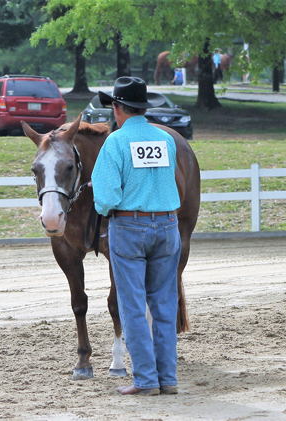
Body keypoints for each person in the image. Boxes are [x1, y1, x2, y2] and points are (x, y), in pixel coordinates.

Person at [92, 77, 181, 396]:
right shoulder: (165, 139)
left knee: (132, 306)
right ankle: (167, 378)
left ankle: (145, 379)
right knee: (164, 304)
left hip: (130, 228)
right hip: (168, 226)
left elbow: (106, 198)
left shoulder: (114, 142)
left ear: (117, 109)